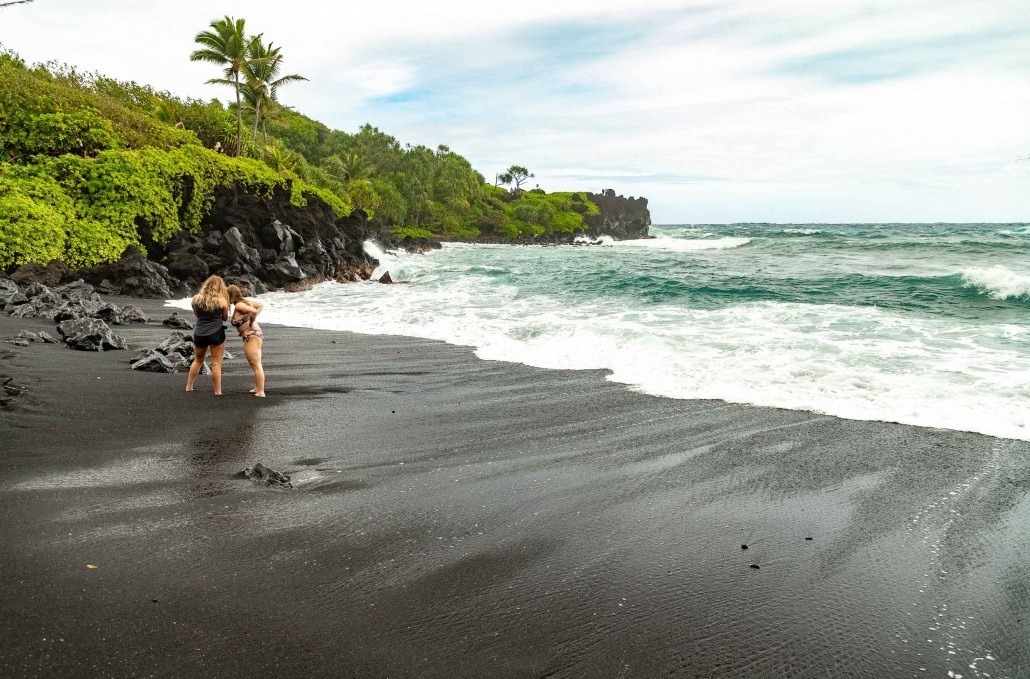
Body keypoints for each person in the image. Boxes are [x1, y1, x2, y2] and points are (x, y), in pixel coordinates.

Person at [185, 275, 229, 395]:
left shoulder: (195, 299)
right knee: (216, 363)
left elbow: (197, 315)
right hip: (216, 333)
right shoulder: (222, 301)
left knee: (198, 360)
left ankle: (189, 386)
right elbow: (225, 318)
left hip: (199, 332)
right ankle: (217, 391)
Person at [227, 285, 266, 398]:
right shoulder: (245, 302)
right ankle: (257, 387)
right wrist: (250, 321)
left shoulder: (239, 305)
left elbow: (253, 311)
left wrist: (251, 322)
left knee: (256, 365)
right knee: (254, 365)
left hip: (252, 336)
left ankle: (261, 392)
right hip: (255, 335)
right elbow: (260, 305)